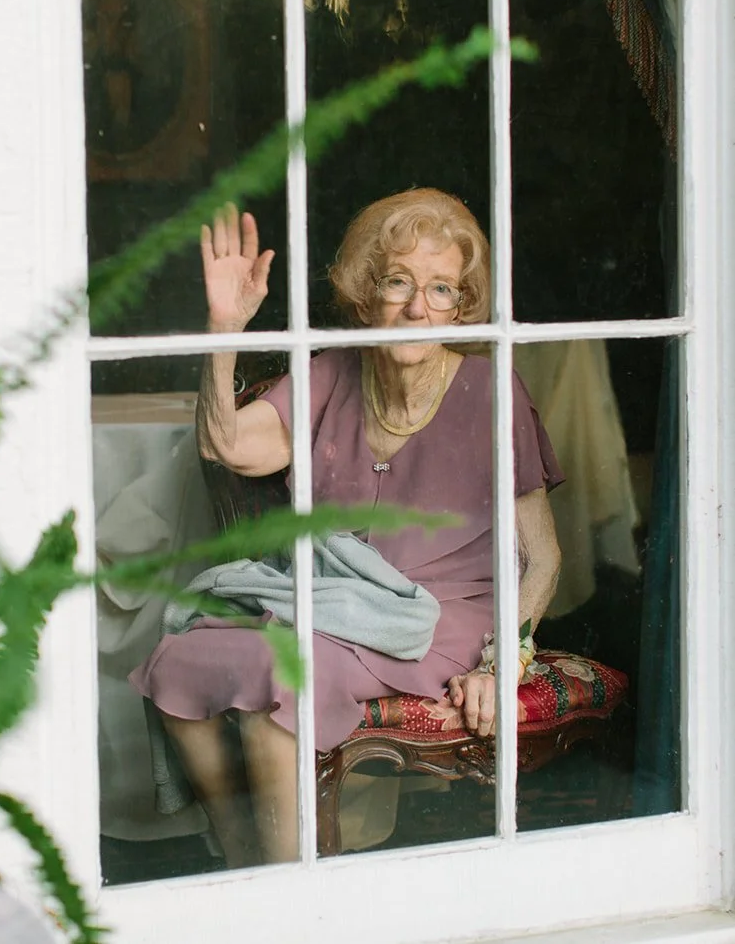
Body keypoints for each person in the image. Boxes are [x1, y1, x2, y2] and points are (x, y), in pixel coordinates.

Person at [130, 188, 563, 866]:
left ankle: (286, 901)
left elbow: (543, 558)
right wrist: (224, 329)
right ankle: (256, 870)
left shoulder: (491, 388)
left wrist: (501, 663)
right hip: (335, 601)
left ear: (461, 303)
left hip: (440, 617)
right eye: (398, 282)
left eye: (442, 289)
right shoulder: (332, 373)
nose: (418, 308)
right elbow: (225, 445)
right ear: (367, 291)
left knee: (282, 671)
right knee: (179, 658)